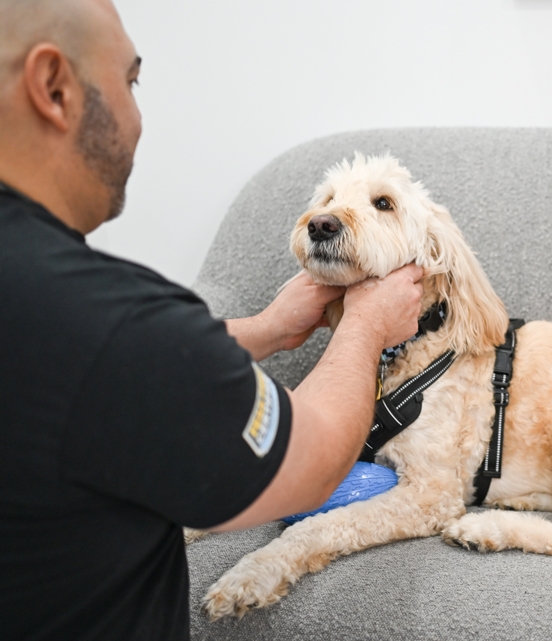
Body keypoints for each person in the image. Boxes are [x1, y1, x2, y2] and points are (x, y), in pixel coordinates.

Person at [0, 0, 424, 639]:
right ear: (54, 87)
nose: (139, 118)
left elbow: (87, 372)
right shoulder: (111, 322)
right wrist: (365, 325)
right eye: (130, 81)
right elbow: (307, 463)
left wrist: (268, 330)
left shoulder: (71, 327)